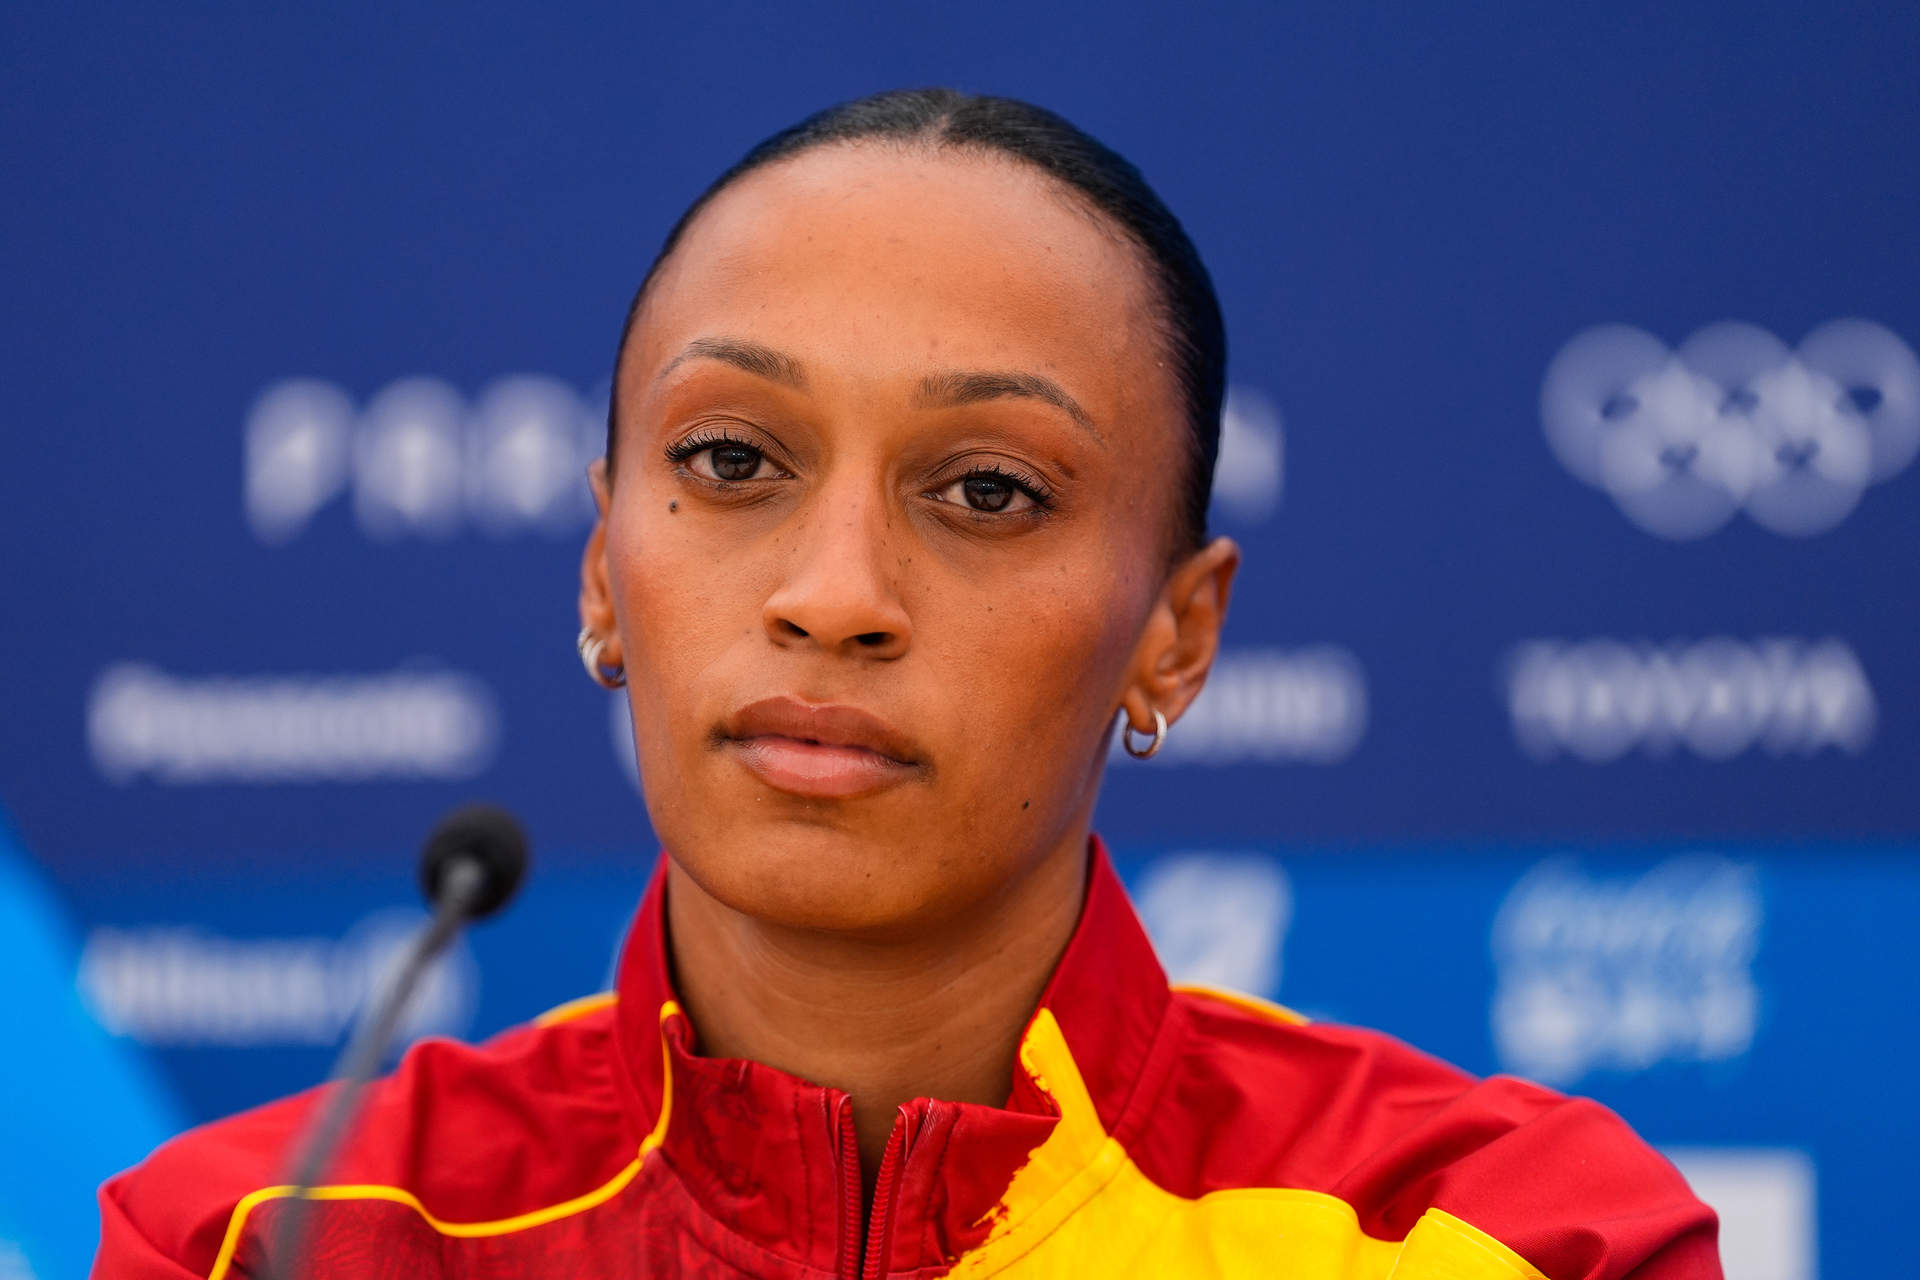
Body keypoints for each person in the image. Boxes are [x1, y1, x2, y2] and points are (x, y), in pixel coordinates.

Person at [92, 89, 1720, 1279]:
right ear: (603, 569)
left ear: (1177, 633)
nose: (833, 595)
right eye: (732, 459)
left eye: (990, 491)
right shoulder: (264, 1237)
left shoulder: (1514, 1236)